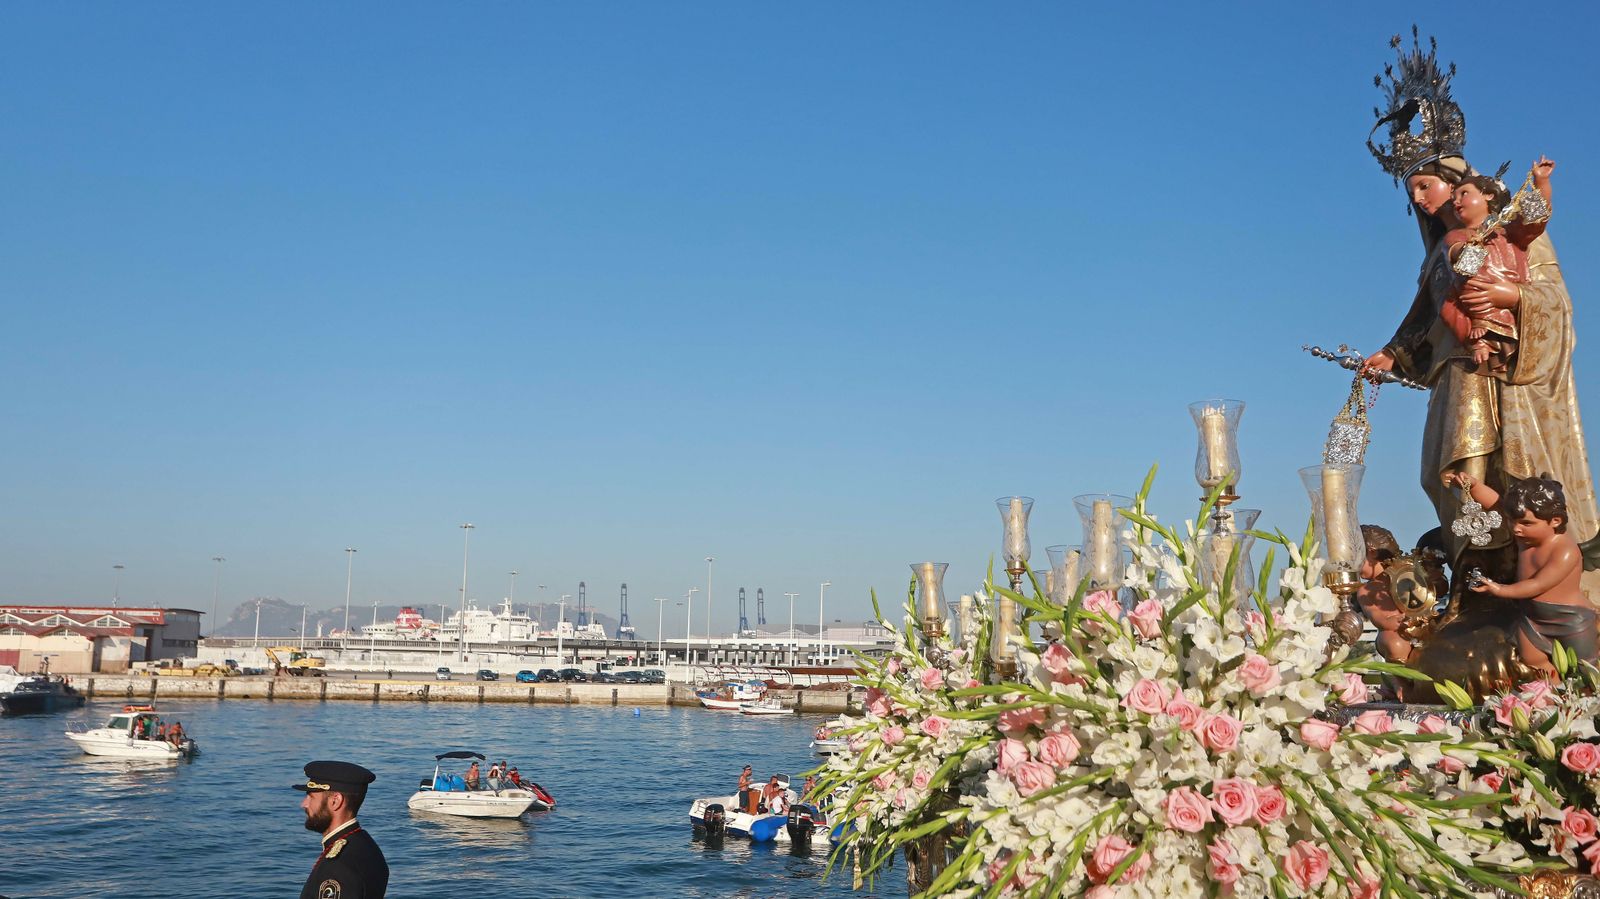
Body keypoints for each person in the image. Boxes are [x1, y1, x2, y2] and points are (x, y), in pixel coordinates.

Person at [1457, 473, 1596, 672]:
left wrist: (1499, 589)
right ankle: (1550, 698)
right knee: (1532, 660)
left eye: (1525, 523)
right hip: (1532, 617)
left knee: (1585, 668)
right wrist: (1474, 486)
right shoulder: (1525, 538)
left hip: (1570, 619)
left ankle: (1584, 699)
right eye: (1513, 522)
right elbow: (1497, 504)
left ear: (1555, 520)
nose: (1516, 529)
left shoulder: (1565, 550)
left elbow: (1537, 584)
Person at [1439, 163, 1554, 373]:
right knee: (1447, 306)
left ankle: (1492, 332)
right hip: (1471, 296)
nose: (1456, 201)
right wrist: (1469, 246)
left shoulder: (1507, 232)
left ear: (1488, 196)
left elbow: (1536, 218)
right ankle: (1477, 341)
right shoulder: (1456, 235)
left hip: (1506, 295)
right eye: (1453, 198)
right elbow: (1460, 258)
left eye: (1463, 193)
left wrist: (1541, 182)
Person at [294, 760, 388, 899]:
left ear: (335, 801)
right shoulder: (367, 846)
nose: (304, 804)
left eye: (311, 796)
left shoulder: (337, 867)